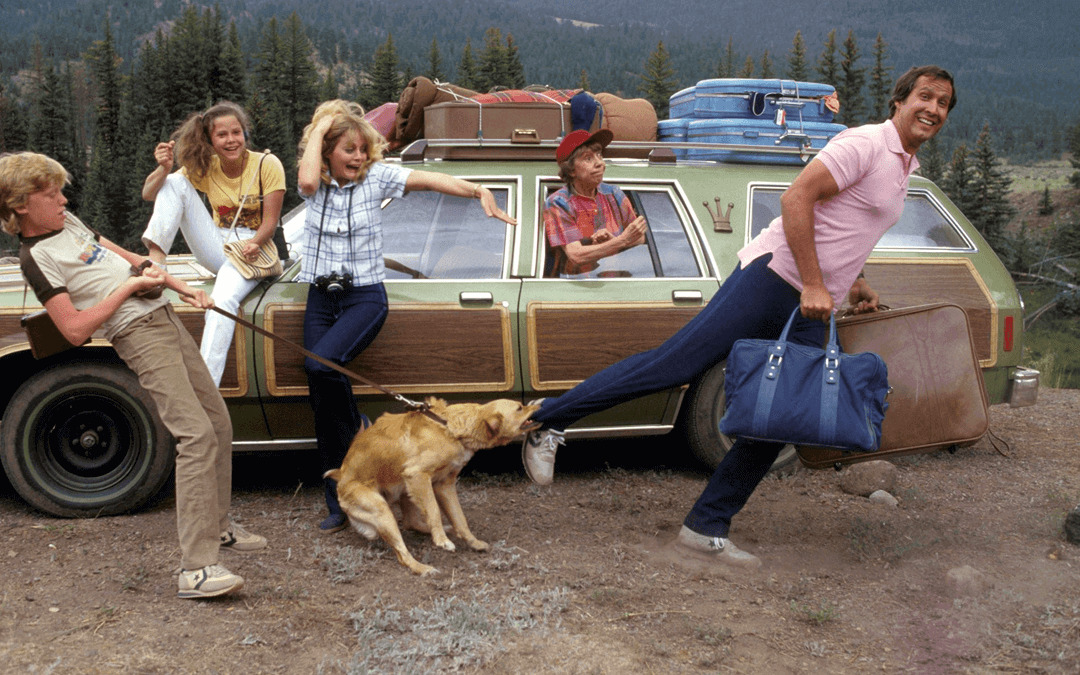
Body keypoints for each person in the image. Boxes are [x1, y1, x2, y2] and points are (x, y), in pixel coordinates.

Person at [522, 65, 957, 568]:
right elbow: (796, 199)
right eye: (924, 97)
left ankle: (705, 526)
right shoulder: (864, 145)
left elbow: (846, 226)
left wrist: (853, 283)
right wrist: (816, 283)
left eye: (943, 103)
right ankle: (545, 420)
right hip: (774, 280)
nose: (933, 109)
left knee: (784, 412)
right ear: (899, 101)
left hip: (811, 299)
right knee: (674, 366)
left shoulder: (903, 165)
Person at [1, 151, 267, 599]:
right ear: (20, 205)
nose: (64, 199)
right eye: (52, 194)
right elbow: (72, 329)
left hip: (160, 313)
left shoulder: (66, 224)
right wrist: (128, 287)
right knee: (195, 435)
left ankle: (219, 527)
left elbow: (113, 252)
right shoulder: (36, 256)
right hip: (136, 331)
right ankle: (197, 570)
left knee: (217, 420)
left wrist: (171, 281)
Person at [296, 100, 517, 533]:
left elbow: (429, 179)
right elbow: (305, 179)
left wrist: (477, 191)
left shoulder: (377, 177)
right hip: (321, 297)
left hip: (365, 298)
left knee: (317, 365)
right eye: (348, 150)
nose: (359, 157)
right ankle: (340, 501)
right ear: (326, 152)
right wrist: (322, 124)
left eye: (363, 148)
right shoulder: (315, 181)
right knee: (323, 396)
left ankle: (360, 428)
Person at [140, 101, 286, 386]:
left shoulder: (267, 164)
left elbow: (270, 222)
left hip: (254, 248)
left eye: (236, 132)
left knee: (222, 300)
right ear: (209, 140)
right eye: (222, 135)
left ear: (245, 133)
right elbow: (149, 193)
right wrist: (163, 167)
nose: (231, 140)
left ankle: (207, 387)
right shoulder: (208, 166)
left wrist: (255, 242)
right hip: (220, 243)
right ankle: (156, 260)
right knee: (172, 183)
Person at [543, 129, 648, 277]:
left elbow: (640, 238)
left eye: (599, 155)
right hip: (575, 287)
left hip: (620, 281)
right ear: (571, 170)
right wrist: (621, 241)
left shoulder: (614, 194)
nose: (599, 163)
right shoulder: (558, 203)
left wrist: (613, 240)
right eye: (588, 158)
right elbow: (576, 255)